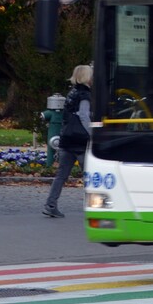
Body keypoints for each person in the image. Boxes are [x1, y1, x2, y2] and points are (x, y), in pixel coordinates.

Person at [44, 64, 92, 218]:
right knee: (89, 176)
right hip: (80, 141)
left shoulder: (71, 93)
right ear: (86, 77)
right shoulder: (85, 95)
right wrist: (93, 134)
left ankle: (50, 204)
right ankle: (93, 206)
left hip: (67, 139)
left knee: (61, 175)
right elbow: (84, 116)